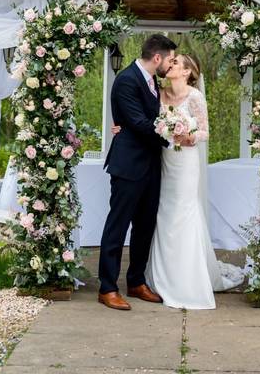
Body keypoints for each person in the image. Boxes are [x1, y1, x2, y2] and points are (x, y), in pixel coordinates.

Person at [144, 54, 245, 309]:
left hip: (186, 162)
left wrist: (187, 135)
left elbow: (204, 130)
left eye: (176, 63)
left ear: (188, 72)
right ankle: (161, 277)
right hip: (164, 161)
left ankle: (188, 281)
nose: (171, 65)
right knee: (164, 213)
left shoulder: (195, 97)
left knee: (183, 212)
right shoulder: (160, 94)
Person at [97, 34, 188, 311]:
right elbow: (137, 122)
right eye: (170, 59)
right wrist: (171, 133)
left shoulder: (152, 83)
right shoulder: (126, 80)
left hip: (151, 166)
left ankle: (136, 281)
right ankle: (107, 288)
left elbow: (149, 118)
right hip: (128, 165)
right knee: (118, 225)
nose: (170, 64)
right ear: (157, 58)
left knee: (145, 226)